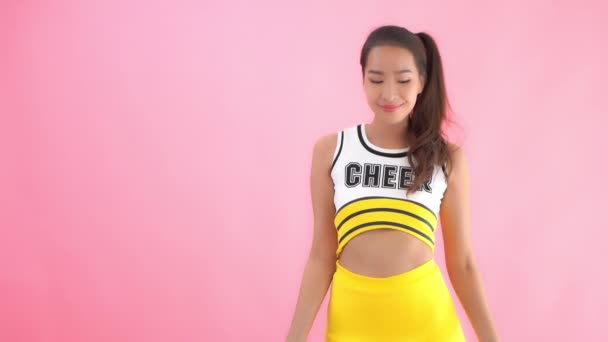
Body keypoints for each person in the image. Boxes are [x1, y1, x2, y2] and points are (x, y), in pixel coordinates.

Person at [286, 25, 499, 341]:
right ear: (362, 79)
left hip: (427, 321)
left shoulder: (446, 158)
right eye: (376, 80)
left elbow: (463, 263)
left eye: (403, 80)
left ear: (422, 83)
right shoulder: (332, 150)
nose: (389, 93)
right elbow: (321, 254)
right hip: (353, 320)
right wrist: (295, 337)